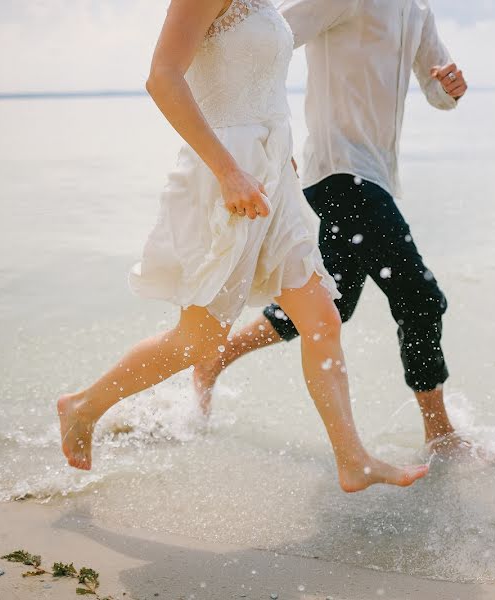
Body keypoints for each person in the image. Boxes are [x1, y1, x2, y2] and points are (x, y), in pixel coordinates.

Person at [57, 0, 429, 493]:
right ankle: (82, 407)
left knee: (322, 319)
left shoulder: (264, 4)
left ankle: (352, 459)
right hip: (225, 177)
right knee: (200, 339)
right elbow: (163, 78)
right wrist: (228, 171)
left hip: (273, 178)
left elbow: (262, 91)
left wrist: (283, 163)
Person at [193, 0, 469, 452]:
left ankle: (214, 357)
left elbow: (438, 90)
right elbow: (265, 42)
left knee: (332, 303)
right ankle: (441, 435)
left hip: (373, 177)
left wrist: (451, 88)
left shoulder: (418, 10)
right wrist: (267, 140)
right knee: (420, 298)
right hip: (339, 172)